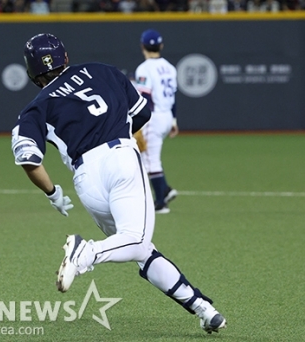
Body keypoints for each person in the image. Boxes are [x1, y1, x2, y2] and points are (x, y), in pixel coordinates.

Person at [11, 33, 226, 334]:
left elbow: (29, 160)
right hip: (120, 159)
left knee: (141, 250)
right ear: (66, 58)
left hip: (85, 181)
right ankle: (85, 254)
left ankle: (203, 308)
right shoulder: (103, 70)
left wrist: (53, 193)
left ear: (32, 73)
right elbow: (143, 114)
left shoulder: (35, 107)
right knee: (135, 242)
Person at [134, 29, 178, 214]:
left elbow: (145, 97)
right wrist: (174, 120)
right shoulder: (169, 67)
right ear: (161, 46)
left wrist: (140, 122)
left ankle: (161, 203)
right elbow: (174, 95)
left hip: (154, 116)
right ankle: (165, 190)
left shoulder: (144, 68)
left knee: (150, 161)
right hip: (167, 115)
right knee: (150, 158)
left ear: (142, 46)